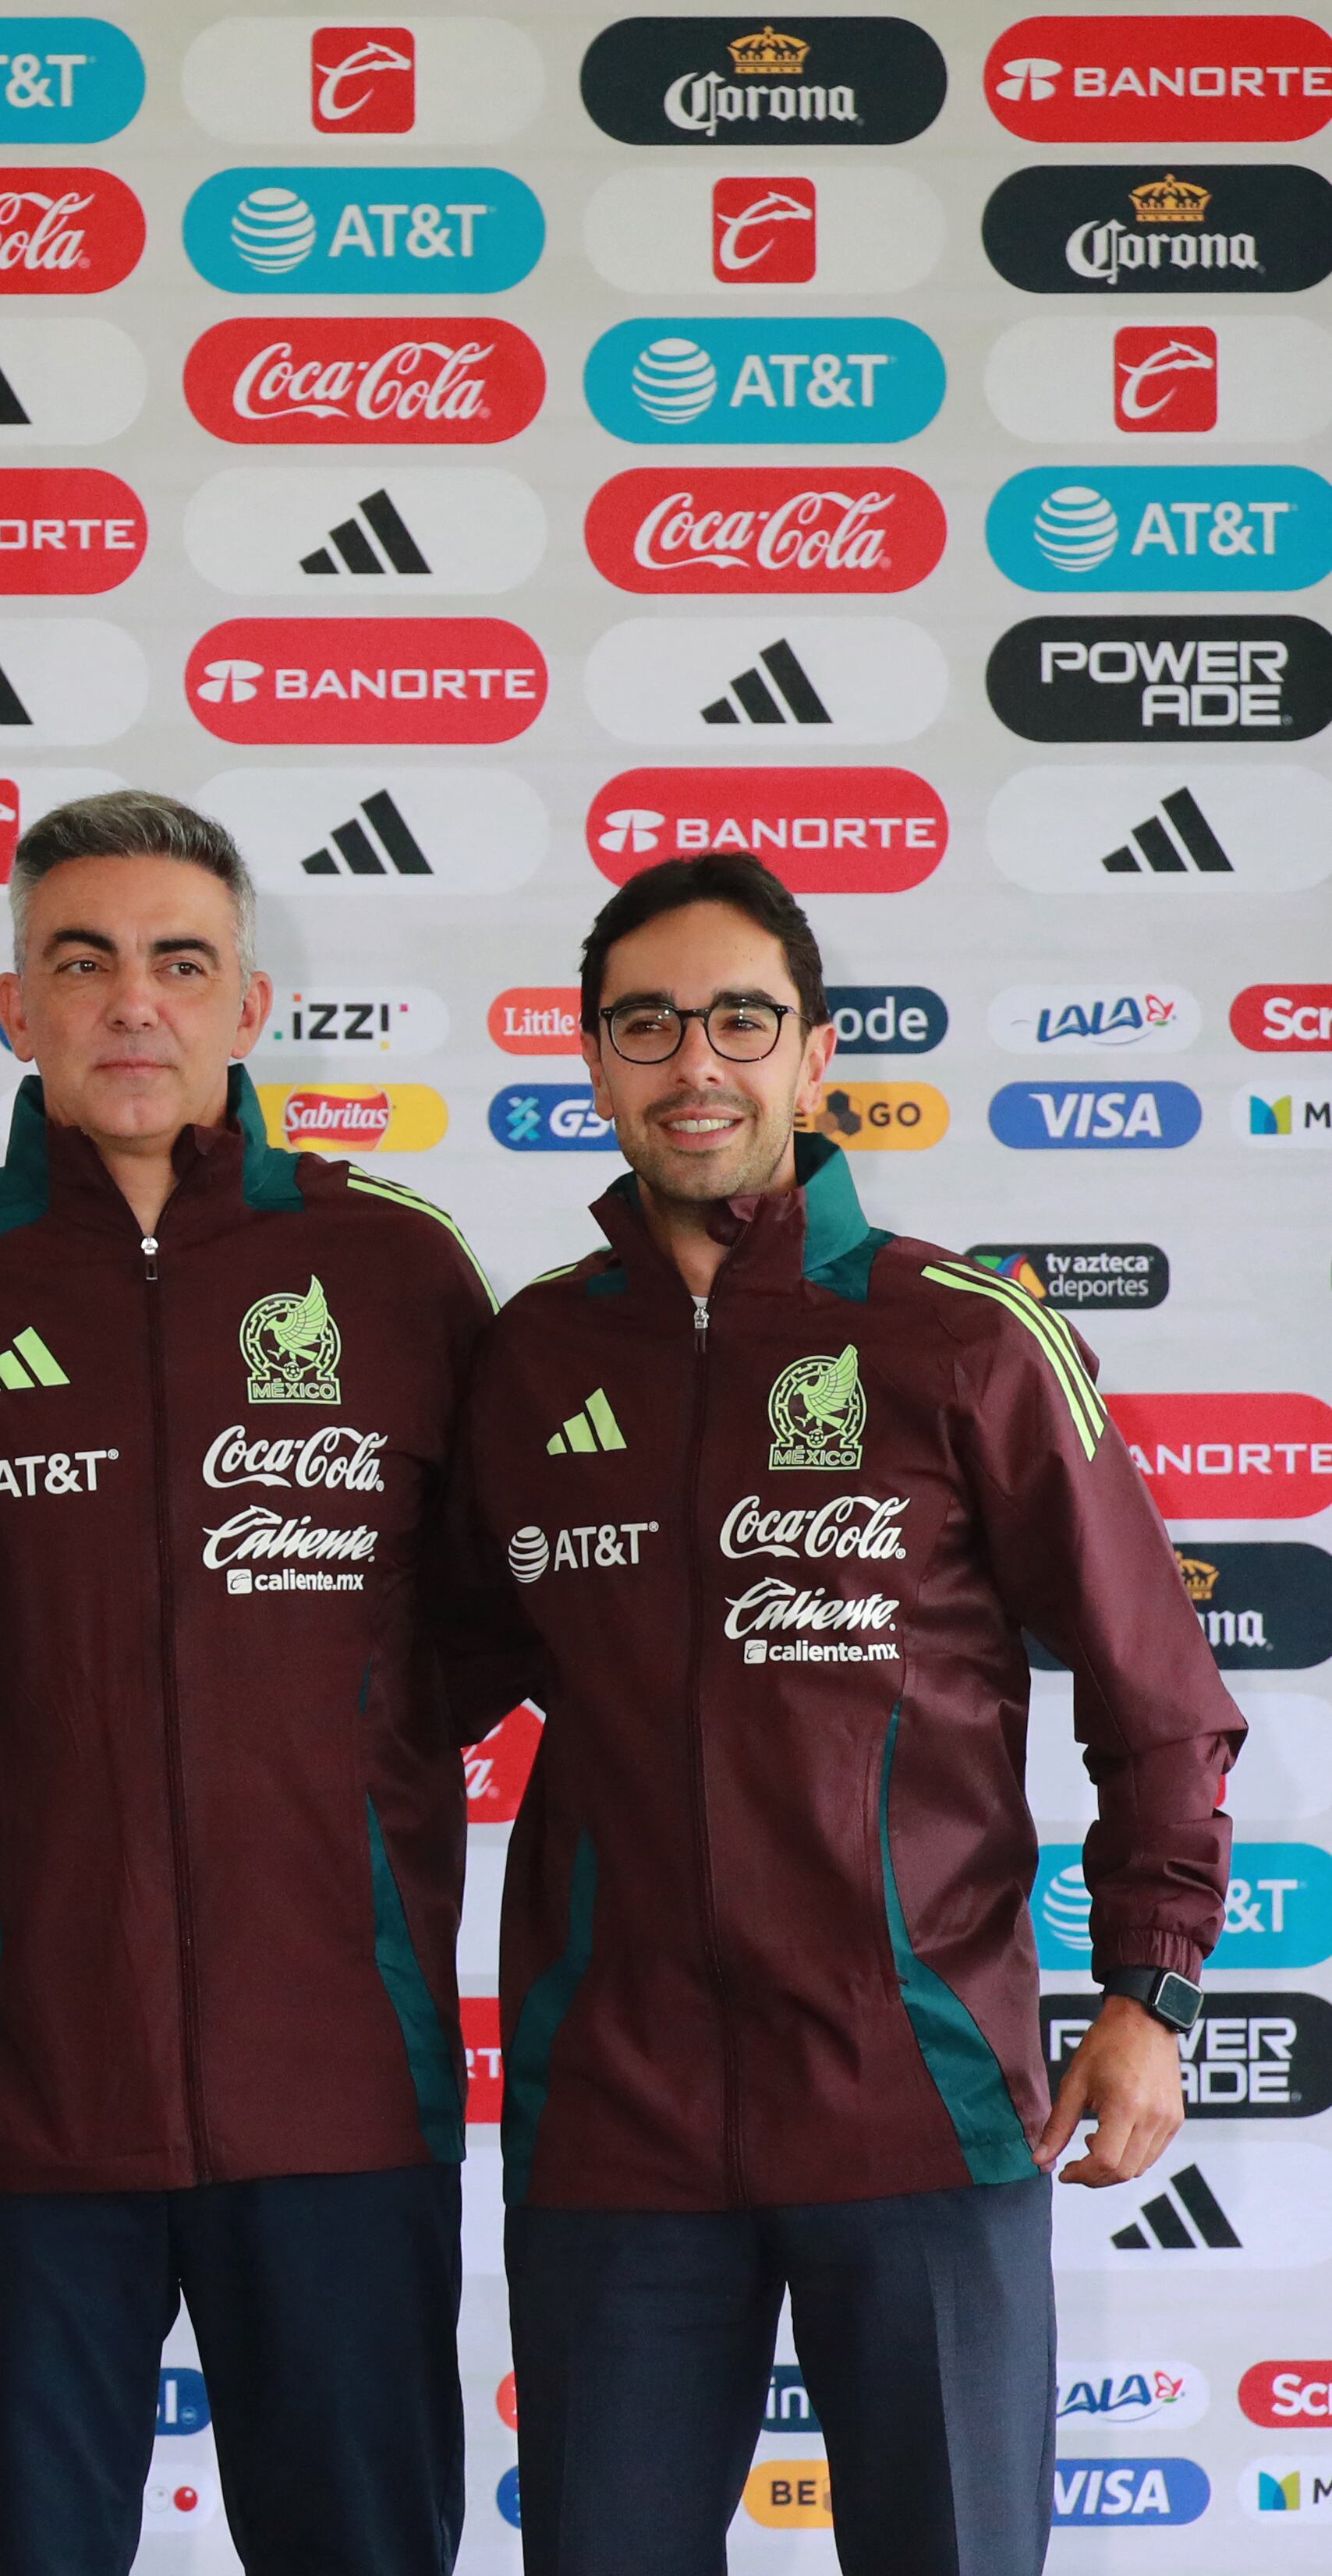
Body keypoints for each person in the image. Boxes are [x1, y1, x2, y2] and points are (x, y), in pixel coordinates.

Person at [450, 853, 1242, 2576]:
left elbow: (1154, 1696)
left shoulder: (963, 1337)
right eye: (644, 1023)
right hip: (614, 2109)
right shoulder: (523, 1361)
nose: (692, 1062)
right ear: (589, 1064)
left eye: (739, 1017)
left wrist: (1149, 1988)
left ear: (814, 1060)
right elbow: (401, 1680)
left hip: (918, 2092)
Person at [0, 791, 494, 2574]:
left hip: (335, 2077)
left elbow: (484, 1624)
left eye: (178, 962)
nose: (133, 1002)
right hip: (15, 2088)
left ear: (247, 1007)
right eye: (82, 959)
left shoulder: (398, 1272)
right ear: (11, 1002)